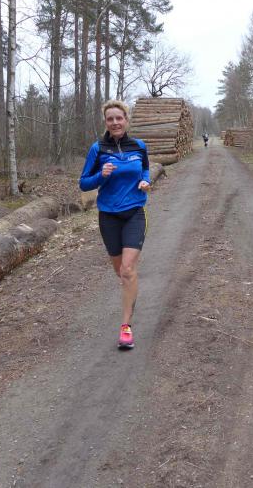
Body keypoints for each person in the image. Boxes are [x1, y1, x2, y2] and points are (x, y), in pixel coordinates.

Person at [79, 100, 151, 349]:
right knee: (121, 272)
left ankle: (125, 326)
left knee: (128, 270)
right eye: (110, 119)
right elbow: (84, 183)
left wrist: (145, 182)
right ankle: (131, 292)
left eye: (119, 118)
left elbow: (145, 170)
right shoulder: (98, 149)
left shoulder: (139, 146)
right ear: (106, 122)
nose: (115, 122)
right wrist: (101, 175)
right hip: (108, 216)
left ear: (126, 120)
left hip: (134, 213)